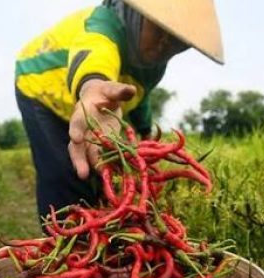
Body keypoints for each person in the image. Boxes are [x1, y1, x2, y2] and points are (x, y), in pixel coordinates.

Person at [14, 0, 224, 223]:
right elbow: (95, 51)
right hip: (39, 85)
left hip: (90, 109)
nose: (165, 43)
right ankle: (60, 244)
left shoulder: (154, 66)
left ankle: (92, 239)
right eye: (158, 30)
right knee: (63, 174)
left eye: (178, 41)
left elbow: (139, 95)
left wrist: (145, 130)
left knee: (102, 173)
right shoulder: (105, 23)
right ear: (137, 13)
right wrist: (93, 85)